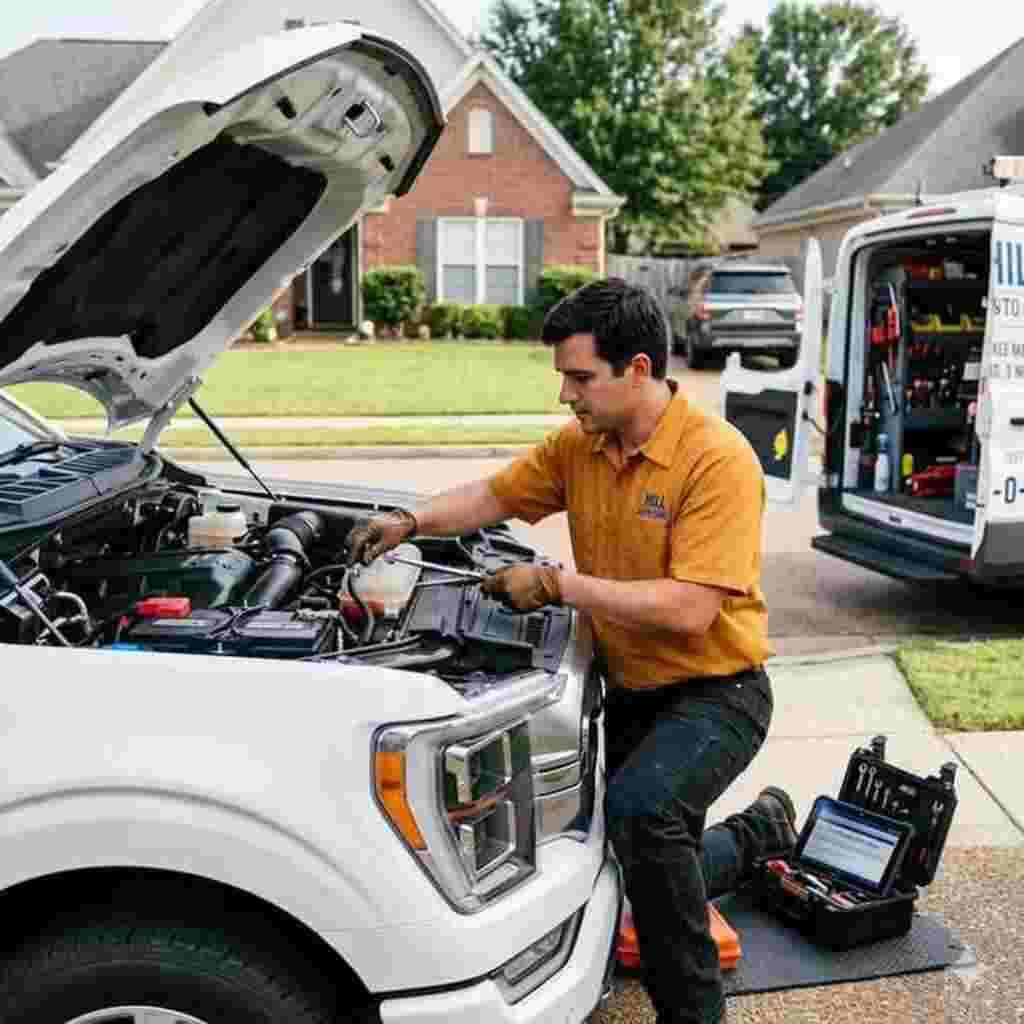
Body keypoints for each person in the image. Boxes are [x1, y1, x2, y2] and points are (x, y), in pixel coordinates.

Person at [347, 278, 797, 1024]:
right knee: (618, 855)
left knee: (645, 817)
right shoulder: (581, 445)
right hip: (629, 688)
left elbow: (690, 609)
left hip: (718, 692)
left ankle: (693, 1013)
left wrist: (558, 585)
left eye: (581, 377)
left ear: (640, 371)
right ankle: (756, 836)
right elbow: (494, 496)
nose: (566, 395)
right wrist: (407, 520)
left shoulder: (716, 459)